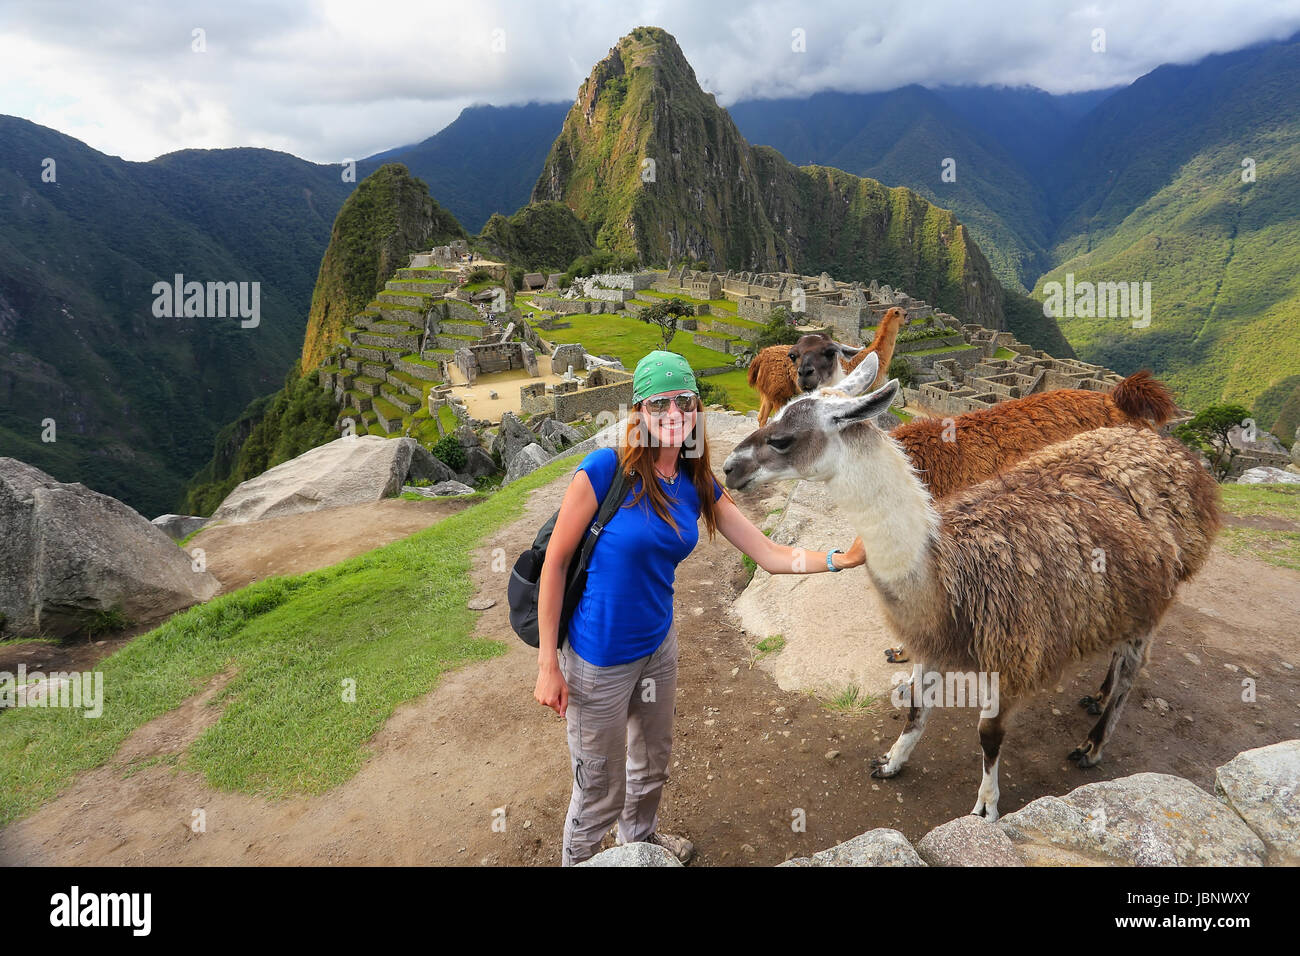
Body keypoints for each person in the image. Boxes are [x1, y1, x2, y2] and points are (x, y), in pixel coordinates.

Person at [533, 350, 865, 866]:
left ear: (696, 409)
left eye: (683, 401)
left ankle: (638, 846)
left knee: (651, 765)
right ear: (639, 412)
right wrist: (547, 665)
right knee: (598, 787)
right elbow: (554, 566)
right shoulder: (603, 472)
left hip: (657, 650)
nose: (672, 413)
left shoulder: (695, 482)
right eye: (658, 403)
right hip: (596, 662)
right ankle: (579, 861)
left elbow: (770, 555)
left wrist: (839, 559)